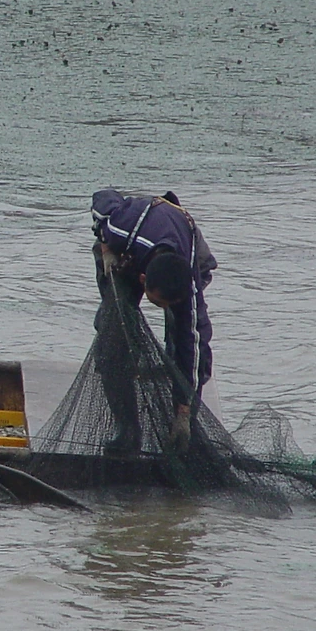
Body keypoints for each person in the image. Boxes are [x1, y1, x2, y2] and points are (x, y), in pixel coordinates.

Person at [90, 188, 217, 455]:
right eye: (159, 304)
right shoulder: (121, 227)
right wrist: (105, 244)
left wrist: (184, 411)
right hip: (131, 248)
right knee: (112, 334)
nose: (164, 309)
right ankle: (127, 430)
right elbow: (102, 199)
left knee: (181, 340)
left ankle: (181, 429)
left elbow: (195, 347)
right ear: (143, 281)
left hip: (187, 244)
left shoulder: (188, 290)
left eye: (170, 305)